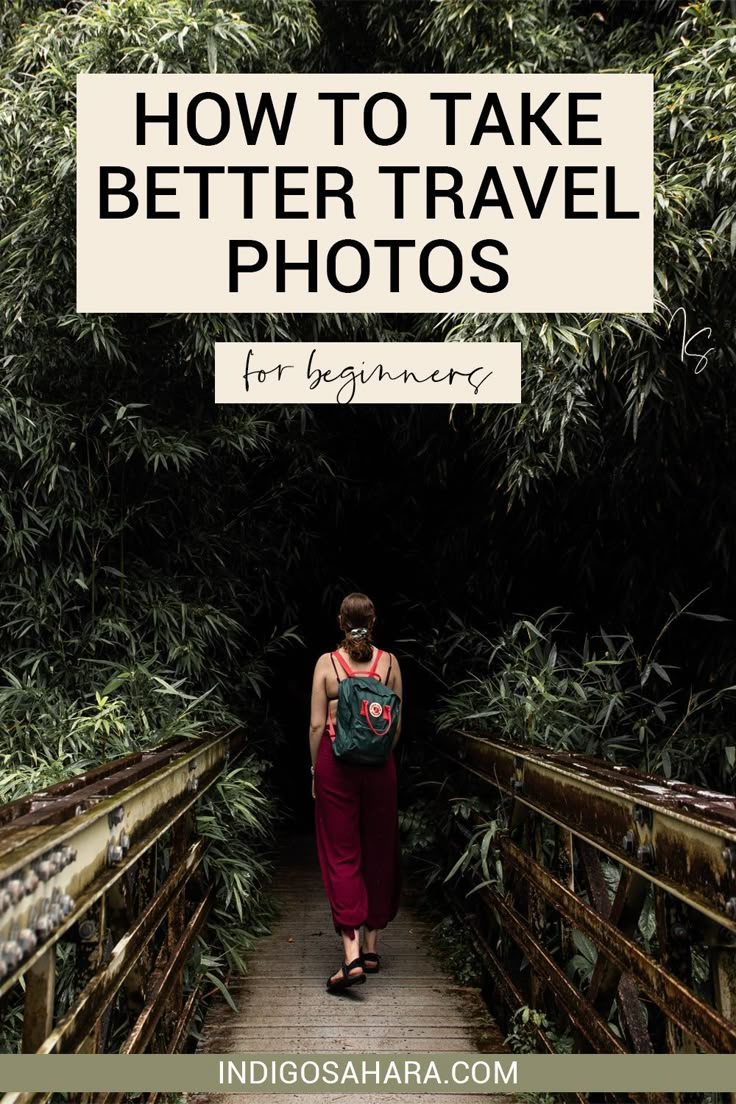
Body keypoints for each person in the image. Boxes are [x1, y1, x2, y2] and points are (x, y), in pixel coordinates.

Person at [309, 592, 403, 993]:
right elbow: (397, 725)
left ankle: (349, 957)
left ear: (340, 622)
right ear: (374, 620)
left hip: (337, 766)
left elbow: (316, 726)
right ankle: (371, 948)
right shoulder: (389, 664)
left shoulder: (327, 665)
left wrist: (315, 769)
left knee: (342, 852)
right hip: (381, 769)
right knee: (378, 850)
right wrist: (378, 756)